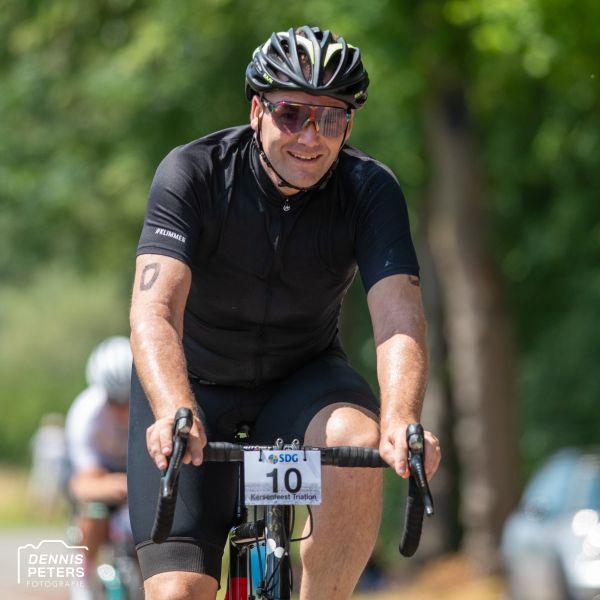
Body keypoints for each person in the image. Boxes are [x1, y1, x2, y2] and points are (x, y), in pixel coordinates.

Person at [128, 25, 442, 600]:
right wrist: (173, 408)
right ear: (257, 110)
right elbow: (155, 310)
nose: (310, 137)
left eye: (330, 120)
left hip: (303, 382)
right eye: (292, 113)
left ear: (348, 126)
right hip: (195, 386)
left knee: (357, 440)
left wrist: (401, 418)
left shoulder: (370, 189)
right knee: (178, 591)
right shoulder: (193, 172)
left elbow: (399, 318)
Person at [65, 336, 132, 596]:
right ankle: (83, 577)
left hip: (135, 470)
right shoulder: (85, 413)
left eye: (128, 400)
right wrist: (118, 485)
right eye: (114, 401)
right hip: (101, 473)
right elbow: (84, 483)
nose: (122, 410)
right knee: (94, 510)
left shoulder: (153, 406)